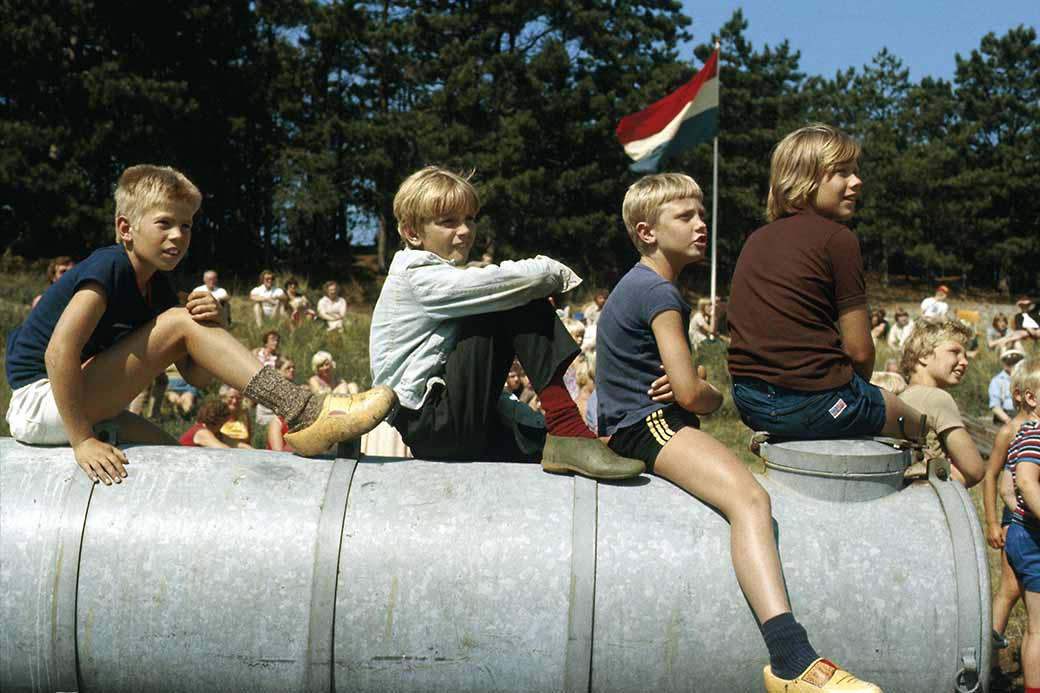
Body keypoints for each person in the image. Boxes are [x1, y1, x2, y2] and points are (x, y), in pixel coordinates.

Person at [598, 172, 877, 693]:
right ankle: (791, 660)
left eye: (701, 213)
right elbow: (687, 394)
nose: (701, 224)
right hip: (648, 425)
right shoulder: (659, 292)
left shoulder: (637, 284)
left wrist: (692, 384)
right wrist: (712, 394)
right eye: (685, 217)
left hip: (636, 422)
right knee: (750, 500)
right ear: (646, 231)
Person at [3, 164, 394, 483]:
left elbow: (198, 380)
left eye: (187, 225)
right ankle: (303, 410)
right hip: (41, 402)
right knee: (178, 321)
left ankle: (306, 417)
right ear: (126, 229)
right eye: (164, 224)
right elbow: (59, 353)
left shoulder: (156, 287)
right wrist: (82, 441)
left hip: (79, 401)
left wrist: (214, 319)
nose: (178, 236)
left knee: (175, 460)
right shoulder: (110, 267)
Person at [369, 165, 643, 478]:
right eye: (448, 222)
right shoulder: (417, 277)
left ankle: (570, 431)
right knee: (515, 293)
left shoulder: (439, 278)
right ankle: (568, 428)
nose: (465, 231)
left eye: (470, 219)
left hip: (452, 423)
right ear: (412, 232)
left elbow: (487, 391)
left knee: (544, 449)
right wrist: (552, 273)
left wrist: (551, 427)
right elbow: (515, 282)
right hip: (433, 422)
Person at [726, 123, 924, 444]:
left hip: (750, 402)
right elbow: (859, 351)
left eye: (856, 171)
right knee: (915, 423)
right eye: (843, 173)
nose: (857, 182)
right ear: (805, 180)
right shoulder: (838, 239)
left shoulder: (756, 238)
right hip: (817, 403)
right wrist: (859, 395)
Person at [897, 318, 985, 486]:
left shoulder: (902, 396)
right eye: (954, 352)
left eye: (965, 355)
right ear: (923, 355)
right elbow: (975, 470)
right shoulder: (937, 398)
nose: (965, 361)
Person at [983, 360, 1030, 658]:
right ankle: (985, 656)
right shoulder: (1010, 431)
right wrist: (991, 521)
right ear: (1022, 395)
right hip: (1014, 518)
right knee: (1010, 588)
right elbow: (991, 476)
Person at [1001, 359, 1040, 693]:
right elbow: (1026, 483)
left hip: (1025, 531)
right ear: (1031, 399)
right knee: (1039, 628)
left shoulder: (1024, 435)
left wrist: (1018, 515)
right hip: (1034, 540)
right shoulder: (1036, 437)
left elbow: (1006, 486)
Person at [179, 398, 250, 448]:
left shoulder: (216, 433)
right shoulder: (201, 432)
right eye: (224, 422)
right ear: (219, 421)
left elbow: (237, 445)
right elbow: (224, 451)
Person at [991, 347, 1027, 424]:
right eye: (1010, 363)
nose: (1013, 366)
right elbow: (995, 406)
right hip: (1005, 417)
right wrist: (1009, 421)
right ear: (1004, 364)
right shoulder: (997, 380)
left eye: (1016, 362)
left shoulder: (1026, 378)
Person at [256, 357, 295, 427]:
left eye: (293, 367)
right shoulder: (271, 387)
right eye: (288, 368)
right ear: (278, 370)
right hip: (268, 421)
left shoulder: (291, 387)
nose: (292, 370)